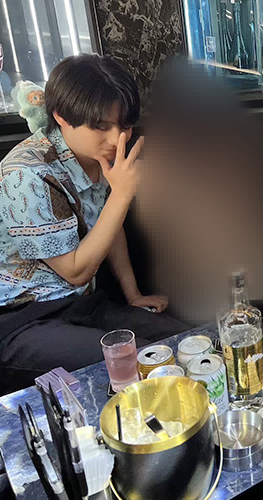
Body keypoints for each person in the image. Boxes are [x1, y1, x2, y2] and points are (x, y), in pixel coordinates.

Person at [0, 54, 187, 395]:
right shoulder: (26, 174)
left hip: (83, 305)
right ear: (61, 116)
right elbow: (75, 271)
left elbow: (109, 229)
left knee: (180, 343)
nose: (117, 139)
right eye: (101, 126)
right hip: (24, 319)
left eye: (124, 125)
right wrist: (123, 194)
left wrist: (133, 295)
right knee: (140, 366)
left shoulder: (100, 159)